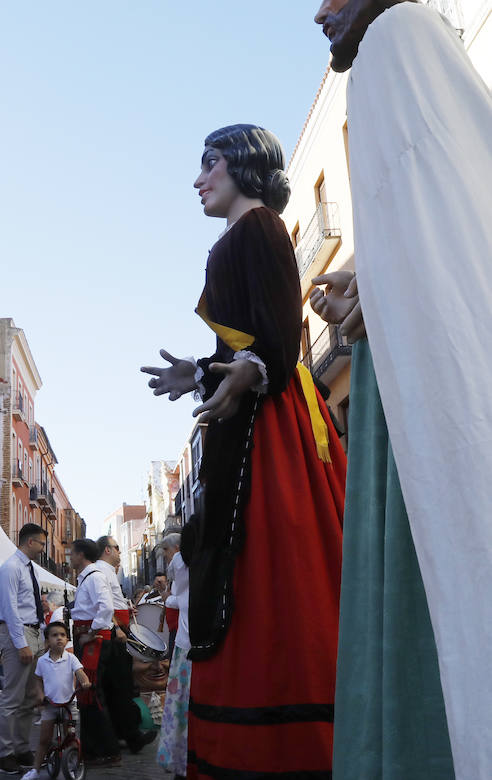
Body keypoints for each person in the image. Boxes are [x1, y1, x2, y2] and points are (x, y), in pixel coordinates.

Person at [312, 0, 492, 772]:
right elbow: (423, 223)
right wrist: (366, 289)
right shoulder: (399, 53)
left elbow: (440, 216)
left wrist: (369, 293)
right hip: (398, 361)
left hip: (420, 370)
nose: (320, 12)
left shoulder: (401, 39)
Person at [142, 123, 346, 777]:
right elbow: (249, 347)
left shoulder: (259, 230)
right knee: (255, 566)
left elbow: (279, 337)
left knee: (272, 568)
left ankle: (280, 735)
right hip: (254, 412)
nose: (199, 179)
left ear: (244, 167)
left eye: (211, 163)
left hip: (274, 422)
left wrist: (243, 373)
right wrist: (203, 373)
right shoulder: (241, 236)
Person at [0, 523, 48, 775]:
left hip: (32, 632)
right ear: (29, 542)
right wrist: (21, 643)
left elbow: (29, 605)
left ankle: (22, 748)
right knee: (12, 698)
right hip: (20, 633)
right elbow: (10, 609)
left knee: (27, 699)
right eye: (41, 543)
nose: (43, 548)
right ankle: (5, 754)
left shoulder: (29, 570)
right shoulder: (11, 569)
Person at [96, 536, 156, 754]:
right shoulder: (102, 571)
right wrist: (117, 626)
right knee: (121, 685)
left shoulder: (108, 572)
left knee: (118, 686)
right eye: (117, 547)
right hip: (115, 635)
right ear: (107, 550)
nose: (120, 552)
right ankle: (131, 735)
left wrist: (125, 612)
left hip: (117, 631)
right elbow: (103, 605)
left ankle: (124, 733)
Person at [70, 537, 121, 766]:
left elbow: (106, 607)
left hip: (94, 642)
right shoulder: (88, 578)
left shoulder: (94, 577)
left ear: (81, 555)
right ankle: (93, 748)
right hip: (88, 640)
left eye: (72, 553)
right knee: (87, 694)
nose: (70, 557)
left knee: (92, 693)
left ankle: (106, 749)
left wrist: (91, 632)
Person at [21, 621, 91, 780]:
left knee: (71, 736)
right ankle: (35, 770)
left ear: (67, 639)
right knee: (44, 739)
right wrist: (39, 694)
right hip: (50, 705)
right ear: (47, 641)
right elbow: (38, 680)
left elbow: (80, 672)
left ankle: (74, 762)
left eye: (62, 635)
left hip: (69, 704)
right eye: (54, 635)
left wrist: (85, 681)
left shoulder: (71, 658)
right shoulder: (42, 661)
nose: (59, 638)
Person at [158, 537, 191, 779]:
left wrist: (166, 598)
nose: (167, 556)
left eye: (167, 551)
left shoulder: (181, 561)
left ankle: (178, 757)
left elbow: (180, 600)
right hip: (190, 638)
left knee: (179, 702)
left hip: (184, 640)